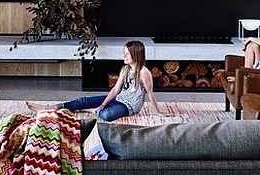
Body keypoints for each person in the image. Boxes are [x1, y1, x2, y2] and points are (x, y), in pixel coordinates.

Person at [28, 40, 164, 121]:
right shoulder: (125, 69)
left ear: (135, 55)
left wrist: (158, 112)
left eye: (127, 54)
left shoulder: (144, 73)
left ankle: (90, 111)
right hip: (119, 99)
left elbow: (150, 93)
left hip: (129, 106)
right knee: (83, 101)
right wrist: (103, 104)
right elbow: (116, 89)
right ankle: (50, 108)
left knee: (107, 115)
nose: (124, 55)